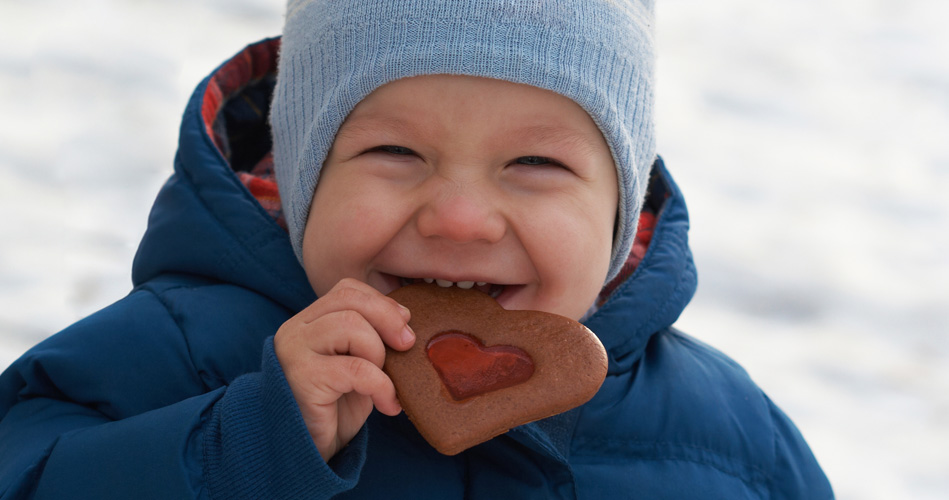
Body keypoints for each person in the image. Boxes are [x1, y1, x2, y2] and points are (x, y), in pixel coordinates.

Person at [0, 1, 834, 498]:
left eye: (535, 164)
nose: (461, 218)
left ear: (619, 208)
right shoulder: (168, 358)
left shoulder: (731, 439)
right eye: (395, 154)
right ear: (298, 177)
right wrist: (247, 444)